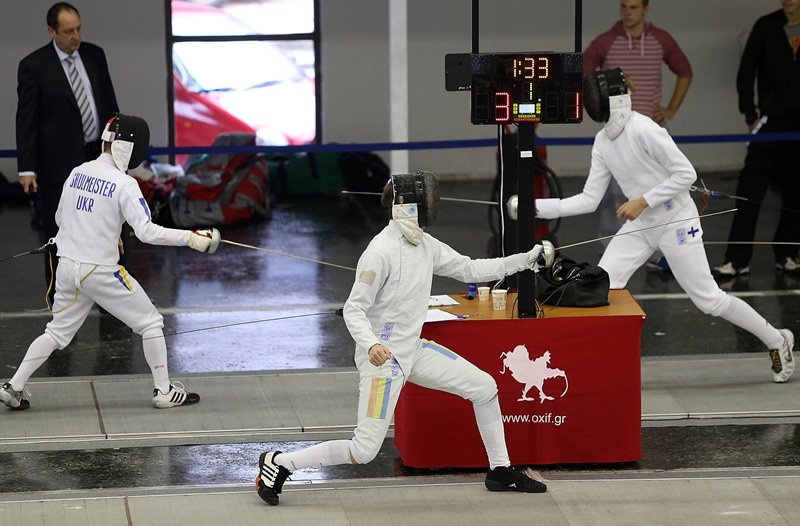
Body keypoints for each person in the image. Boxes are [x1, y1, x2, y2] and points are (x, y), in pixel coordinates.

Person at [256, 171, 553, 505]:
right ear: (408, 206)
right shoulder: (379, 251)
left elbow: (470, 269)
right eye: (426, 200)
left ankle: (500, 469)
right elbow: (354, 309)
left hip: (413, 350)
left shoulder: (425, 245)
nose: (431, 206)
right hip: (383, 360)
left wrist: (525, 260)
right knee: (364, 450)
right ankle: (280, 462)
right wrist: (372, 345)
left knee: (484, 387)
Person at [535, 68, 794, 385]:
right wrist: (533, 208)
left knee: (708, 300)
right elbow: (589, 199)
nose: (592, 103)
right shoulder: (603, 142)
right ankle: (598, 368)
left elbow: (685, 174)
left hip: (675, 221)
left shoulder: (645, 130)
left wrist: (642, 200)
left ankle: (777, 339)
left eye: (595, 98)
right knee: (602, 285)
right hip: (641, 224)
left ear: (613, 99)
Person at [0, 114, 220, 411]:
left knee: (56, 332)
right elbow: (146, 232)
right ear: (131, 149)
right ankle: (164, 391)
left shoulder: (78, 172)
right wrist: (191, 238)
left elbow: (61, 219)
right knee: (151, 322)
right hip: (101, 271)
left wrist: (105, 231)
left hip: (67, 267)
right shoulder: (124, 183)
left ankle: (14, 386)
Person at [16, 2, 120, 306]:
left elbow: (109, 104)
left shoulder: (94, 55)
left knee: (107, 226)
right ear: (52, 32)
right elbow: (26, 118)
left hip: (97, 156)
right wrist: (27, 168)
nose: (76, 36)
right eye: (68, 31)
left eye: (79, 28)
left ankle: (110, 302)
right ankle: (60, 302)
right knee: (56, 233)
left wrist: (117, 151)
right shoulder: (34, 65)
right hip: (56, 164)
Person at [583, 0, 693, 272]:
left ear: (646, 9)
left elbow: (685, 71)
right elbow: (583, 75)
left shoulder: (660, 39)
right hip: (618, 132)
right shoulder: (605, 41)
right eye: (623, 6)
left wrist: (671, 109)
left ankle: (657, 252)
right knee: (612, 196)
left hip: (651, 130)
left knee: (659, 192)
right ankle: (609, 254)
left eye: (633, 7)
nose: (627, 12)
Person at [712, 0, 800, 278]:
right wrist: (750, 113)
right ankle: (737, 259)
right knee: (750, 190)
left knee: (796, 192)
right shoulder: (766, 25)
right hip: (770, 122)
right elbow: (746, 70)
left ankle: (787, 254)